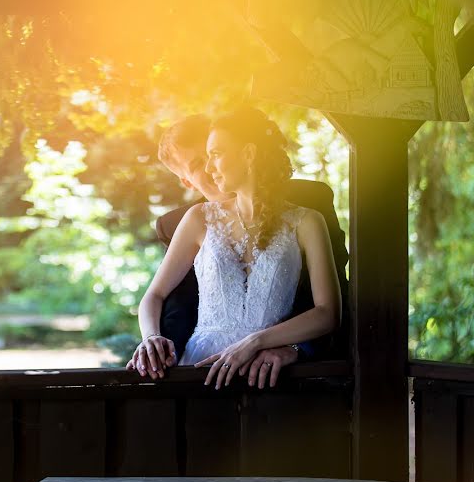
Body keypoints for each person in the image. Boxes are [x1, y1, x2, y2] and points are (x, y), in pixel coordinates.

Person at [129, 108, 344, 389]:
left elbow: (329, 311)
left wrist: (269, 343)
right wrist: (151, 338)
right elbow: (155, 295)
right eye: (200, 162)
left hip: (270, 373)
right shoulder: (196, 219)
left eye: (215, 154)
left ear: (248, 153)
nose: (208, 168)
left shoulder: (309, 220)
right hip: (200, 369)